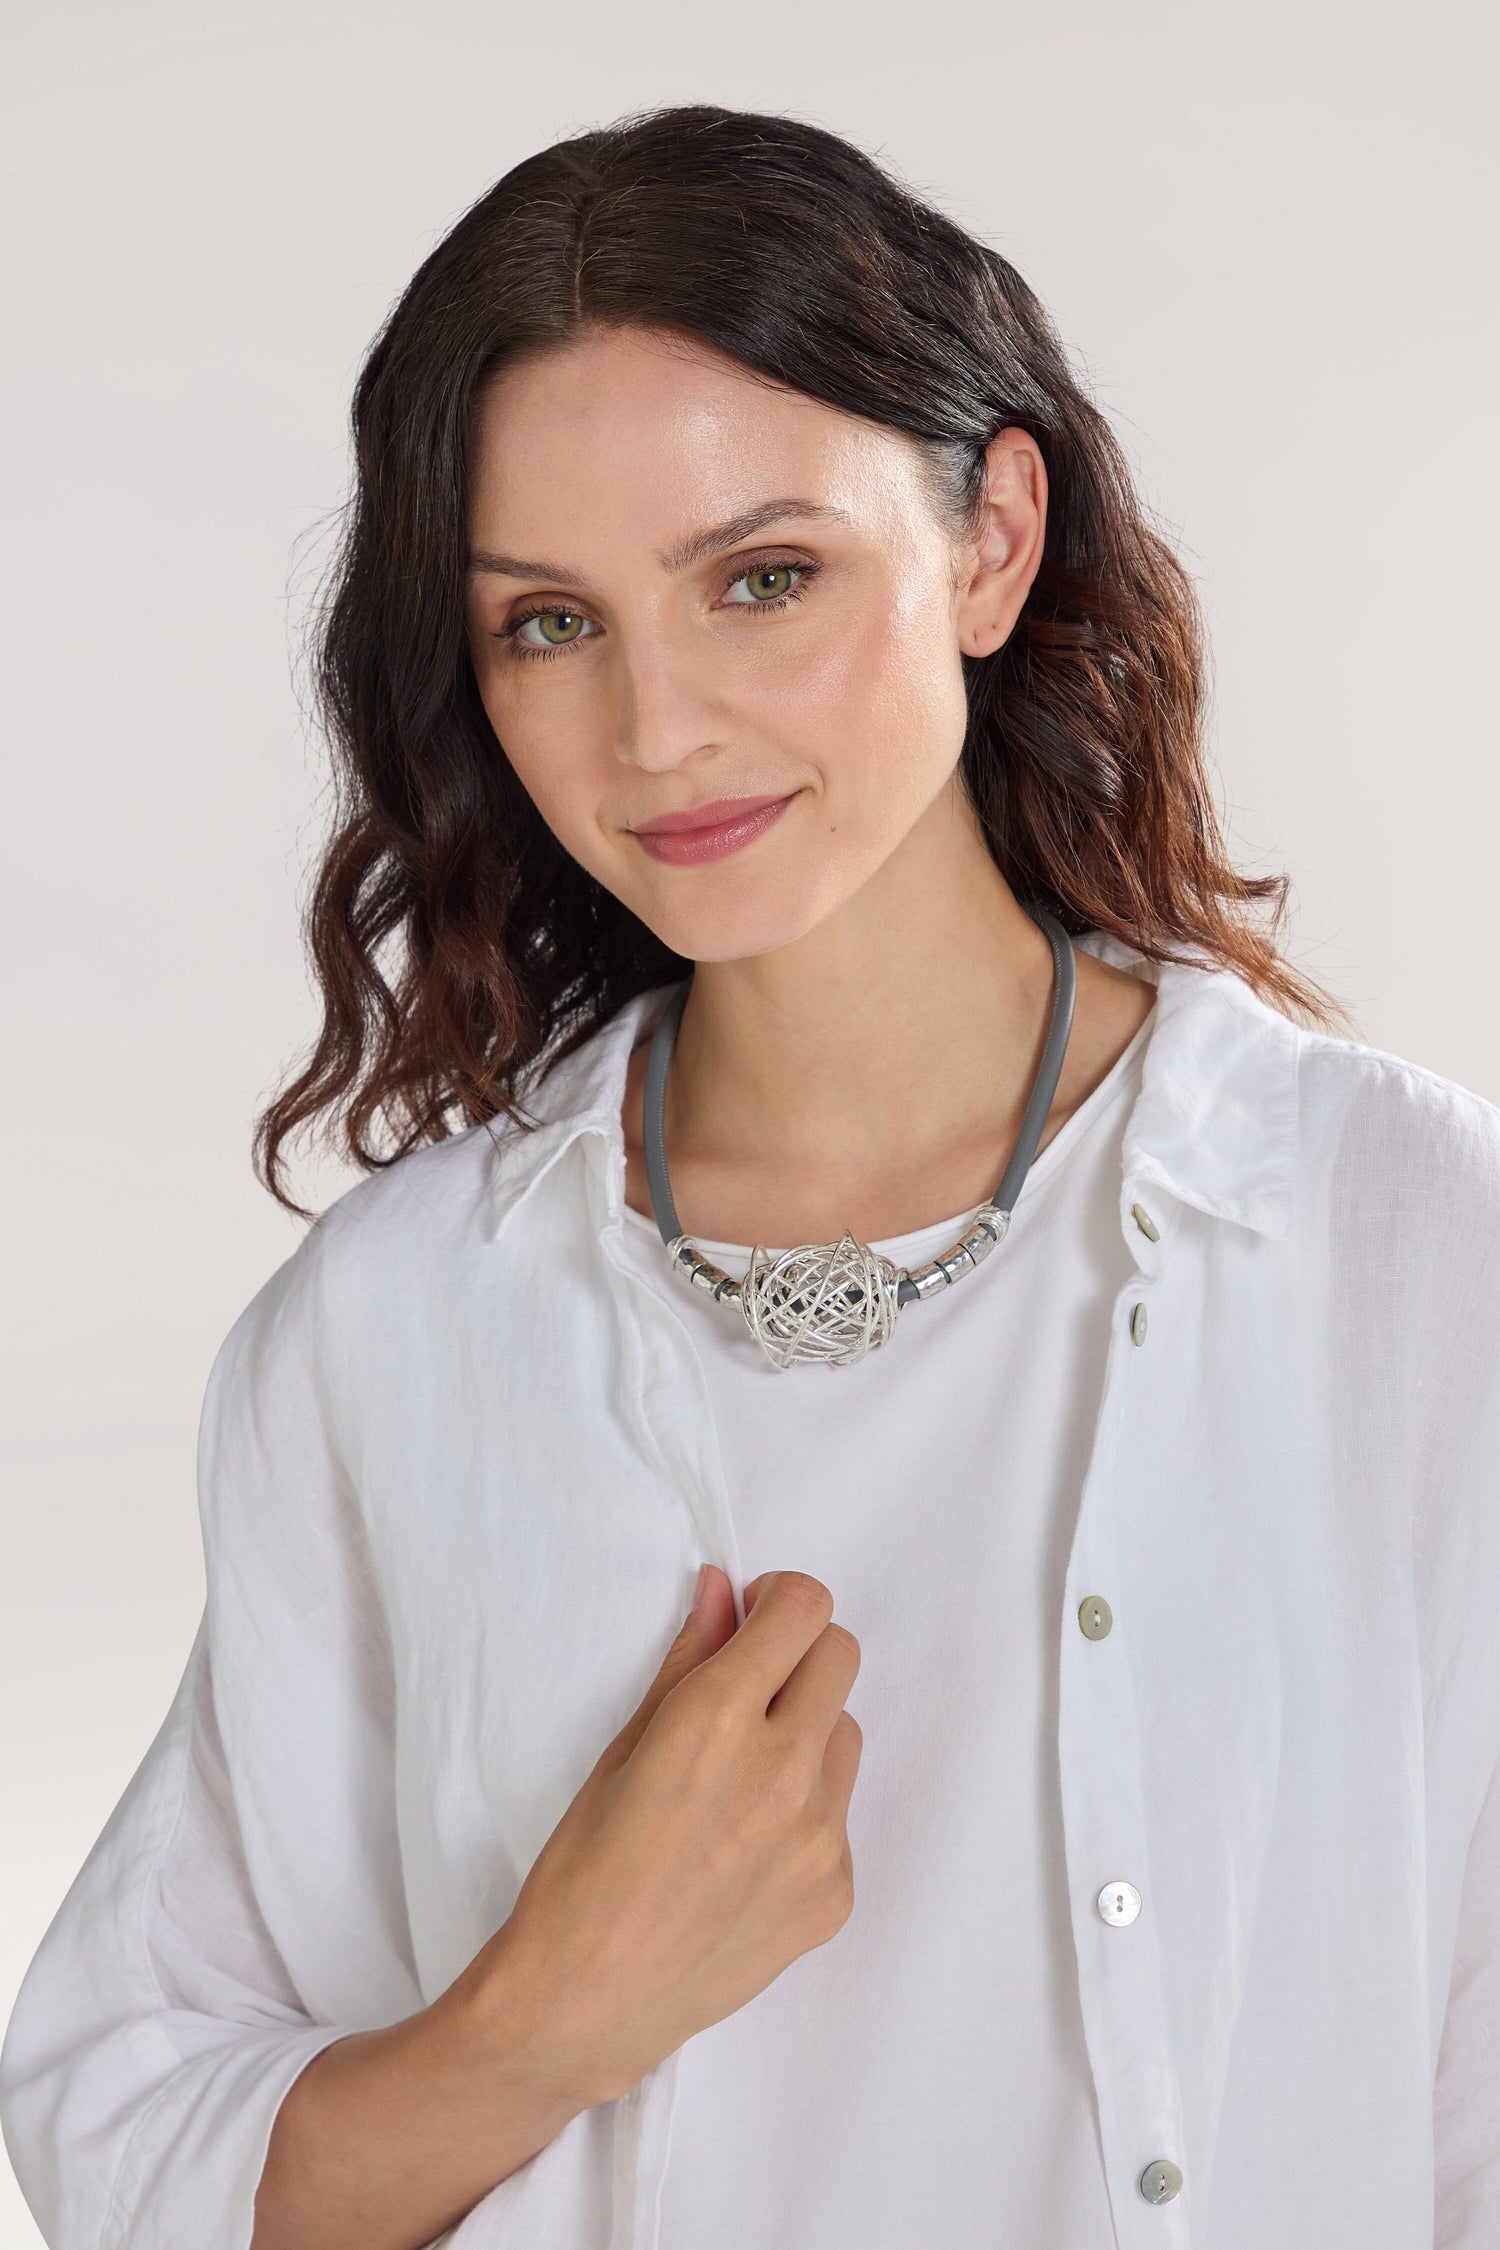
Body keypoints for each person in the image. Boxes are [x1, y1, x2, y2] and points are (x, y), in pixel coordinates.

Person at [2, 100, 1497, 2250]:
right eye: (547, 624)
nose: (658, 731)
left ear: (992, 539)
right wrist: (543, 2018)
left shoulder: (1414, 1252)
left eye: (762, 577)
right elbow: (130, 2145)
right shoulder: (396, 1330)